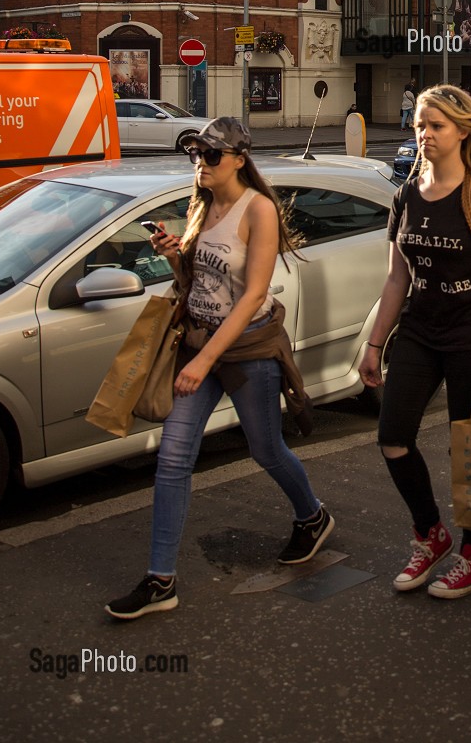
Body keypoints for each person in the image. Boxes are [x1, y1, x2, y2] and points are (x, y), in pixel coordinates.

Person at [105, 117, 332, 620]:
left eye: (210, 156)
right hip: (199, 342)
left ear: (238, 158)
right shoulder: (202, 205)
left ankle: (312, 516)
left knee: (266, 448)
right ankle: (160, 580)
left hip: (246, 349)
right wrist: (172, 257)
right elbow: (197, 282)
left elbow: (253, 294)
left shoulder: (260, 210)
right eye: (196, 156)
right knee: (173, 457)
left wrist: (206, 359)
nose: (200, 165)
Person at [359, 83, 471, 599]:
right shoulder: (406, 193)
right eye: (419, 126)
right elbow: (395, 279)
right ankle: (430, 534)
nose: (425, 134)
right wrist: (374, 343)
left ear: (461, 130)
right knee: (393, 436)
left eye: (435, 126)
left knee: (468, 451)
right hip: (420, 331)